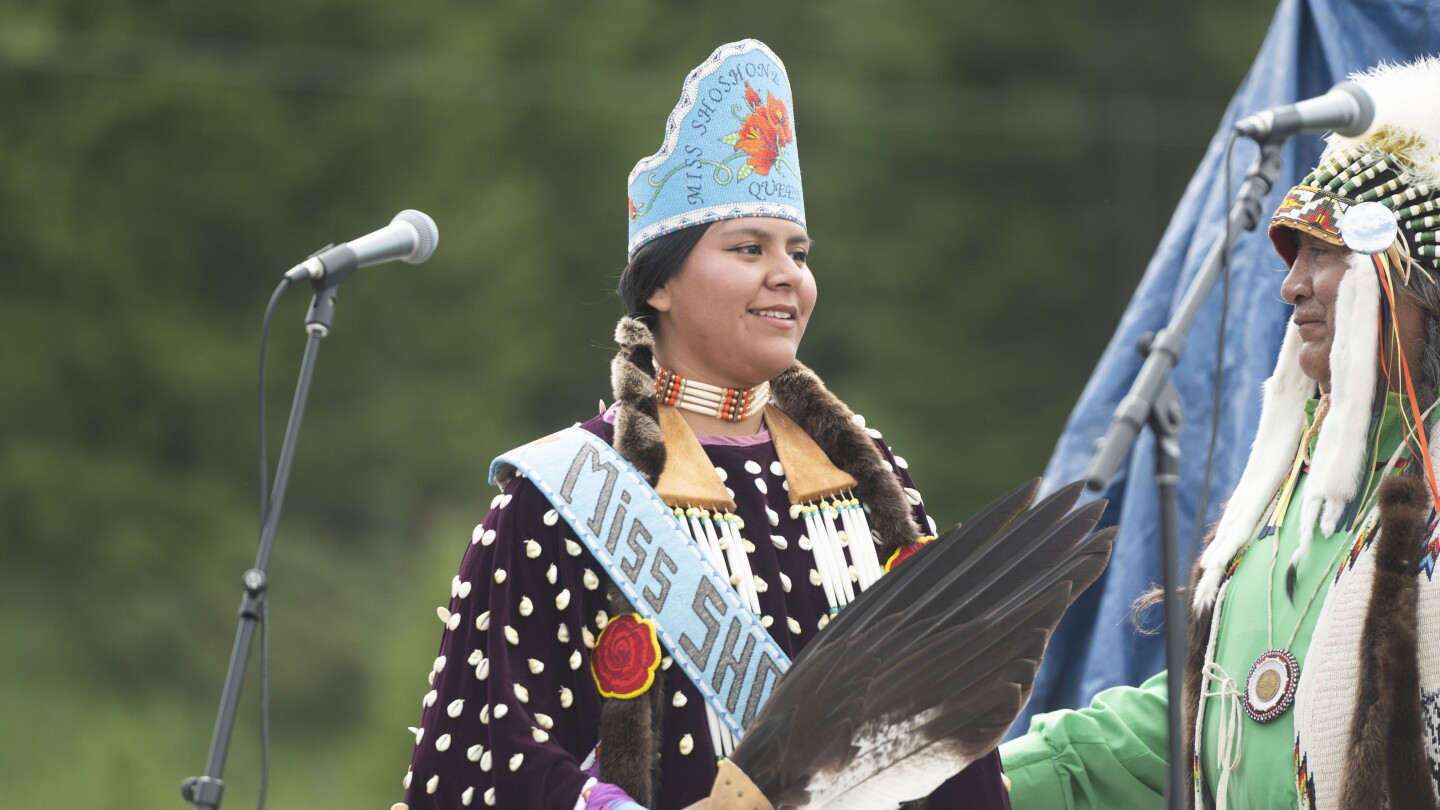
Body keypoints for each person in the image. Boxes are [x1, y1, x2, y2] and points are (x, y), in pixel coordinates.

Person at [394, 39, 1010, 809]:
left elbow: (951, 741)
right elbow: (490, 757)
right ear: (661, 287)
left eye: (798, 251)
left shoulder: (868, 480)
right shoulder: (562, 497)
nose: (786, 274)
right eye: (747, 249)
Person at [1000, 55, 1440, 809]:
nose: (1291, 284)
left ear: (1413, 278)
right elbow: (1201, 724)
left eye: (1326, 252)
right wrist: (978, 784)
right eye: (1294, 252)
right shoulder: (1286, 502)